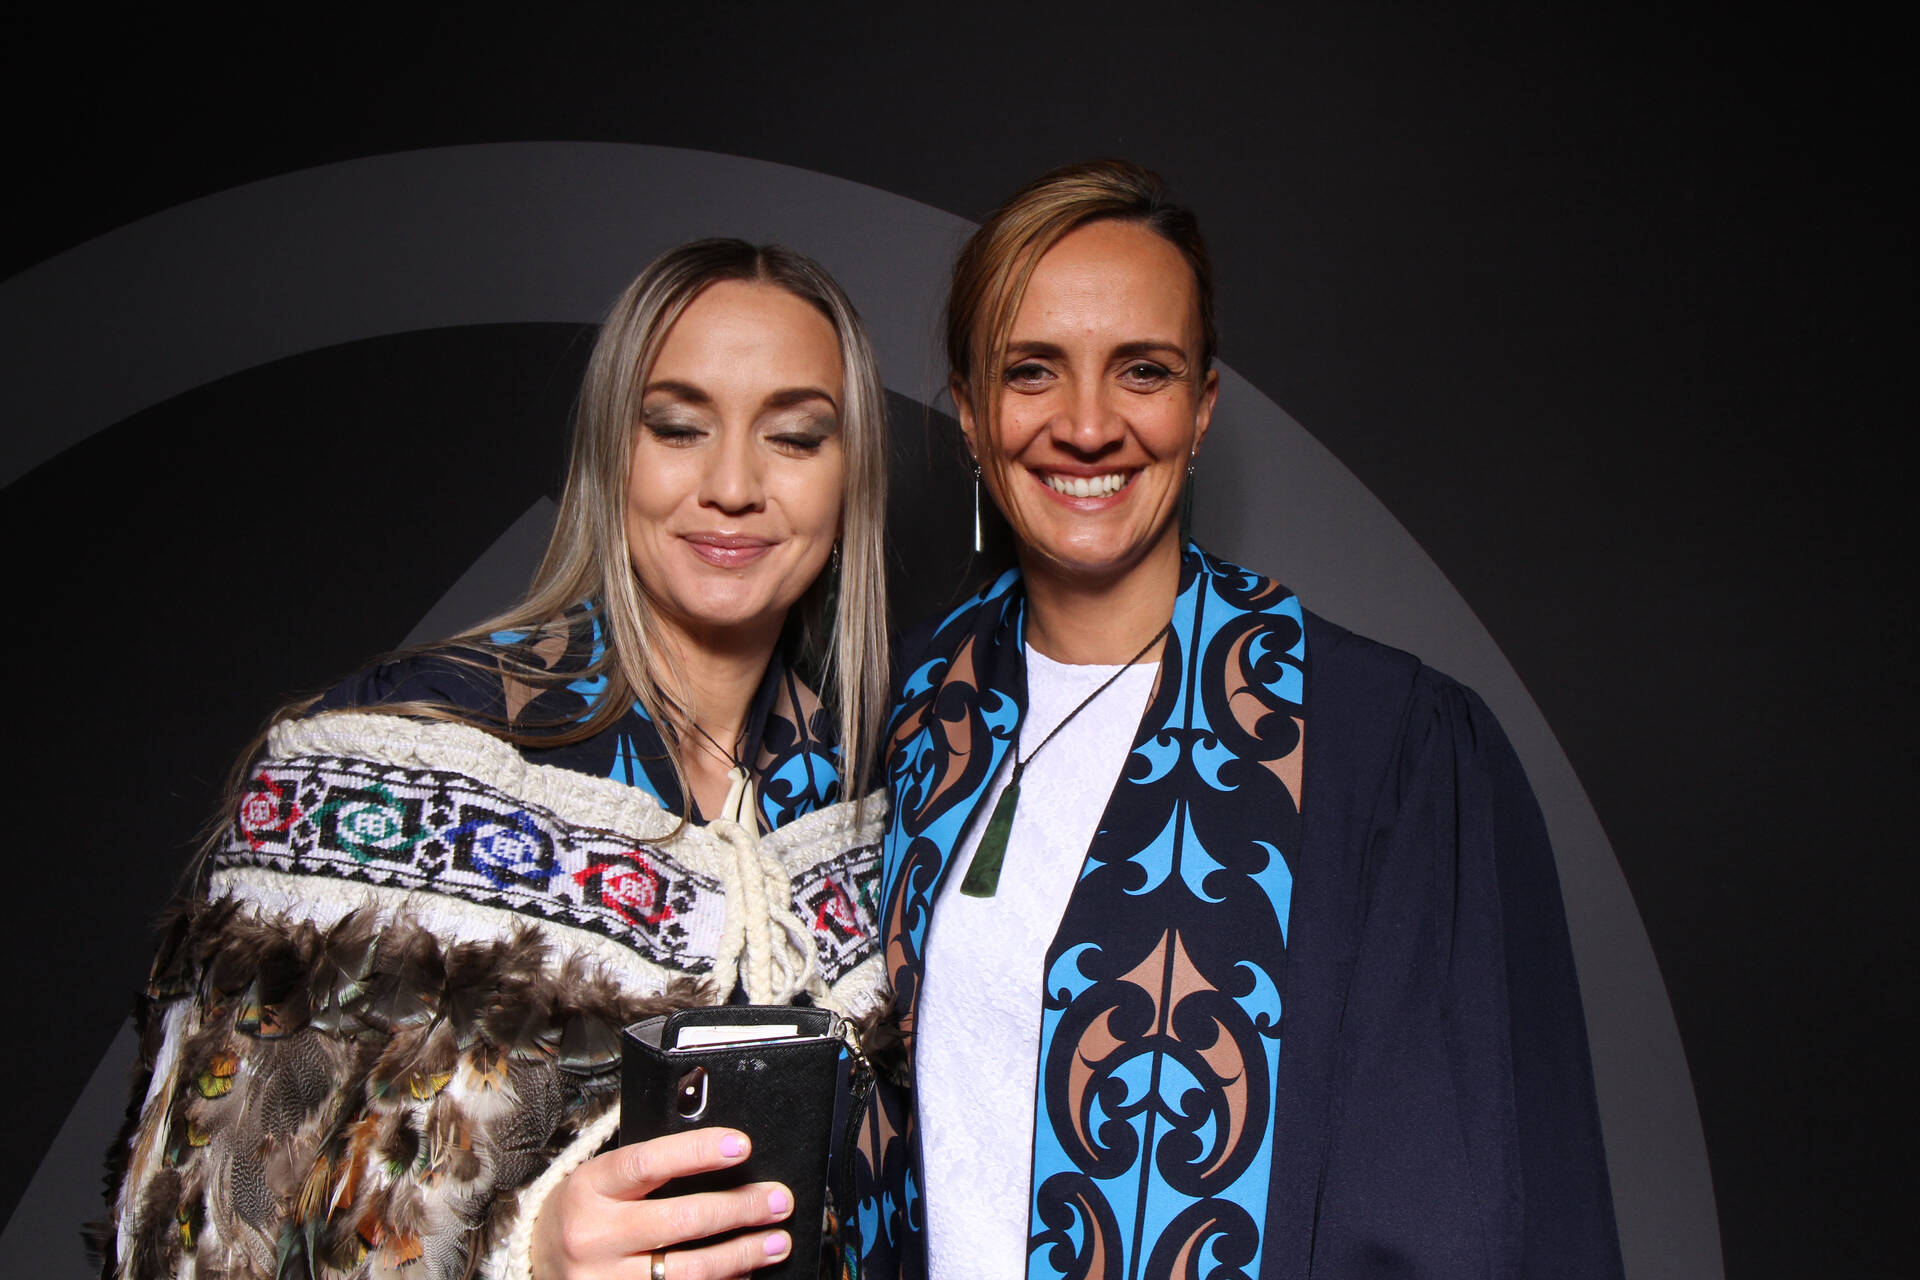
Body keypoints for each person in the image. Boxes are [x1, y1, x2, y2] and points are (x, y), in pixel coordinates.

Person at [853, 162, 1622, 1278]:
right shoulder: (924, 713)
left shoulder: (1378, 748)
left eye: (1143, 370)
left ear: (1202, 407)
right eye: (1031, 371)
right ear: (972, 414)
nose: (1086, 424)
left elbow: (1452, 1214)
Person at [101, 239, 891, 1280]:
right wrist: (528, 1258)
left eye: (794, 436)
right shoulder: (391, 748)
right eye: (676, 427)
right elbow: (192, 1237)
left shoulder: (880, 802)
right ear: (610, 452)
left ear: (849, 478)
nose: (733, 484)